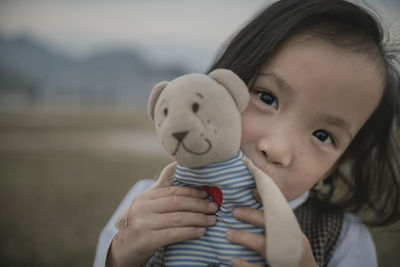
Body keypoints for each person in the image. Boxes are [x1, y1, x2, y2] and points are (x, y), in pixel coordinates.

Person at [94, 0, 400, 266]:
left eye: (323, 135)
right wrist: (122, 254)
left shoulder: (345, 238)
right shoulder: (145, 203)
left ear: (339, 161)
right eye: (267, 98)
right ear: (224, 88)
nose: (278, 149)